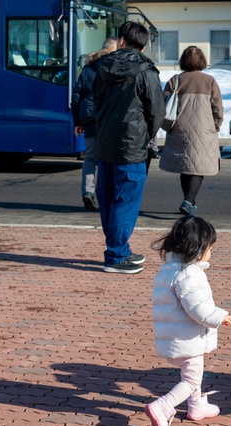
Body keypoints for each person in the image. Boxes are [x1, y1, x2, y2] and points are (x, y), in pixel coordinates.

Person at [145, 216, 231, 426]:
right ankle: (163, 405)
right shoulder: (189, 273)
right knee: (191, 379)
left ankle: (197, 407)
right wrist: (219, 316)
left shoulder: (169, 269)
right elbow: (198, 309)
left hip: (175, 337)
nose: (211, 252)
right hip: (188, 338)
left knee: (193, 374)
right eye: (210, 248)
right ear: (199, 248)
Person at [93, 21, 165, 274]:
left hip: (105, 143)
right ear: (143, 46)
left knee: (110, 199)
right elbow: (156, 112)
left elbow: (94, 102)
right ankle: (116, 254)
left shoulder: (101, 67)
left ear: (121, 40)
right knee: (126, 200)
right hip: (132, 145)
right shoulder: (147, 72)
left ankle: (118, 248)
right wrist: (146, 134)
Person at [159, 46, 223, 216]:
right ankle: (188, 200)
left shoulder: (175, 80)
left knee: (186, 165)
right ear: (202, 61)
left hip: (179, 128)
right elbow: (217, 107)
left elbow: (163, 105)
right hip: (203, 129)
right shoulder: (209, 81)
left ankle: (190, 202)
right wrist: (216, 125)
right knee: (198, 167)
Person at [71, 37, 118, 211]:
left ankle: (88, 193)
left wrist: (77, 122)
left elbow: (76, 97)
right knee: (110, 160)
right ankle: (108, 196)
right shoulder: (116, 67)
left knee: (91, 158)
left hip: (90, 118)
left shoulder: (88, 68)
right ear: (113, 49)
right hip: (110, 120)